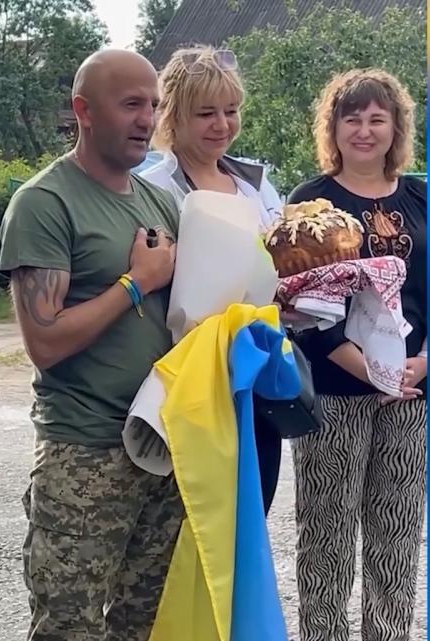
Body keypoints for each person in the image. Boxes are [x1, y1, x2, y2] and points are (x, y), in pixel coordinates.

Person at [0, 49, 182, 641]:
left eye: (153, 105)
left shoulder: (158, 203)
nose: (147, 119)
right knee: (67, 640)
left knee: (146, 640)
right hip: (84, 455)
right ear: (84, 110)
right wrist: (136, 283)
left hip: (159, 447)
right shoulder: (45, 202)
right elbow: (44, 341)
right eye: (131, 104)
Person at [287, 69, 429, 641]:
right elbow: (299, 307)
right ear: (334, 128)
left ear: (396, 127)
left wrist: (424, 364)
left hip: (413, 389)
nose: (365, 130)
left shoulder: (424, 199)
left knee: (398, 518)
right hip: (335, 386)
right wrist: (373, 370)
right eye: (352, 119)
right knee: (327, 520)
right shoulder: (311, 203)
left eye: (377, 119)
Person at [139, 45, 288, 513]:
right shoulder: (153, 189)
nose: (222, 124)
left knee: (251, 511)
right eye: (206, 113)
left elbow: (284, 264)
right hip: (188, 378)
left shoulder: (256, 185)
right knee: (196, 518)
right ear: (173, 116)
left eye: (231, 110)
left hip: (254, 372)